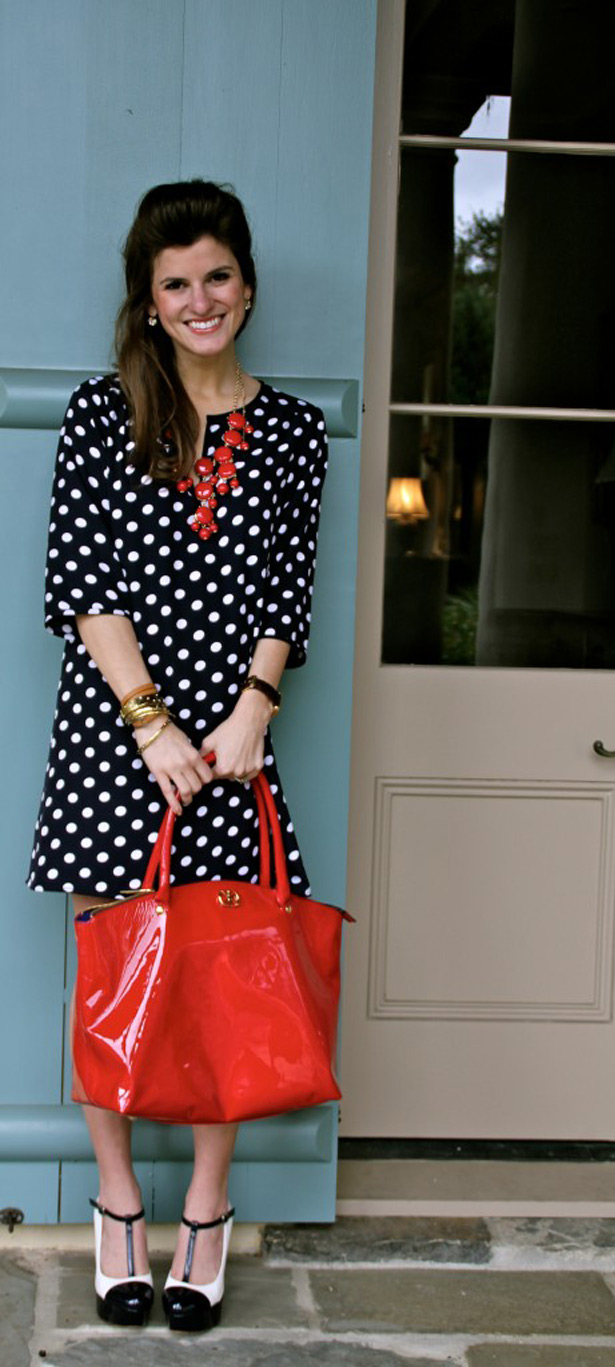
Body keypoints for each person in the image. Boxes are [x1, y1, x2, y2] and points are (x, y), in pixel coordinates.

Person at [27, 179, 328, 1332]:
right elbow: (82, 583)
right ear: (148, 302)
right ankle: (116, 1201)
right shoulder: (105, 415)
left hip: (235, 733)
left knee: (222, 975)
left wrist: (254, 708)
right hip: (120, 729)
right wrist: (150, 723)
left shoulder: (292, 430)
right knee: (114, 972)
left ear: (244, 286)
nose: (199, 299)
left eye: (215, 276)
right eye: (175, 283)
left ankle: (206, 1204)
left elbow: (284, 590)